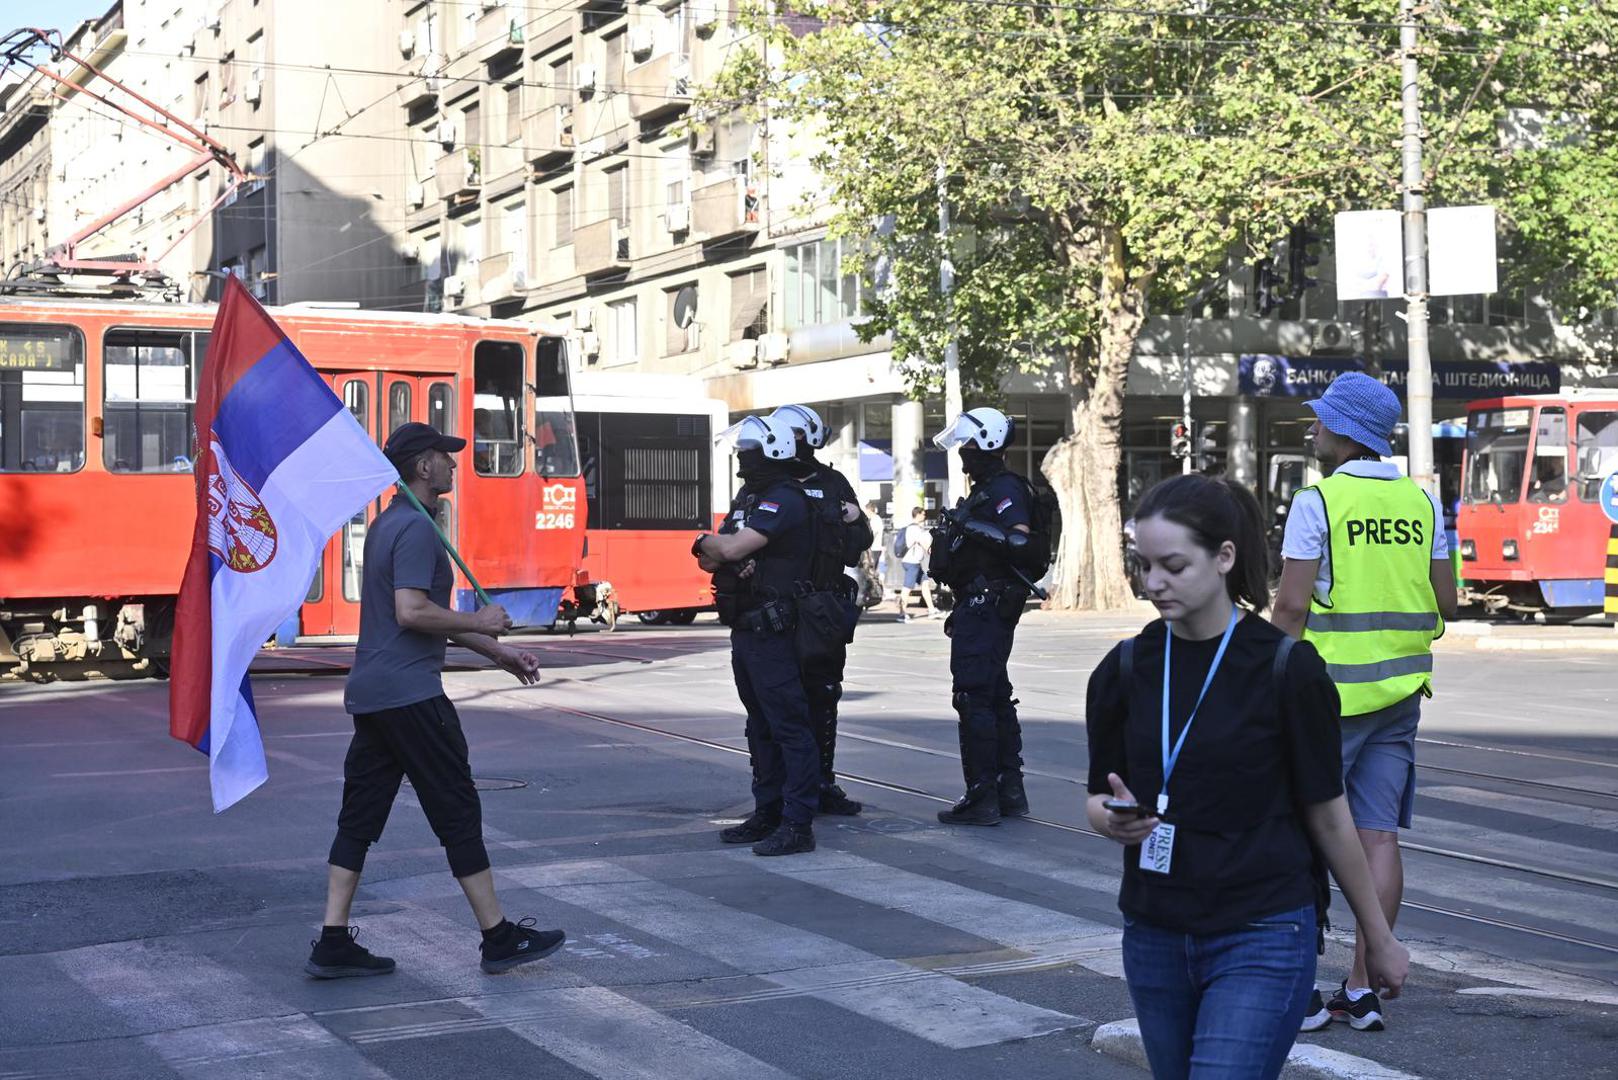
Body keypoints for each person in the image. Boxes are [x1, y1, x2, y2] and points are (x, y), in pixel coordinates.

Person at [1086, 474, 1409, 1080]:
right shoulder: (1125, 668)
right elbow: (1098, 798)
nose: (1154, 583)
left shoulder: (1287, 669)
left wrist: (1377, 937)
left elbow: (1329, 813)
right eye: (1145, 565)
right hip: (1155, 929)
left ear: (1224, 557)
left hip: (1262, 929)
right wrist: (1113, 819)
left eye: (1174, 565)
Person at [307, 422, 565, 980]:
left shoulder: (387, 525)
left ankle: (332, 939)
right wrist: (480, 619)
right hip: (412, 696)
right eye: (445, 457)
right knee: (456, 808)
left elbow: (424, 620)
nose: (452, 465)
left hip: (374, 695)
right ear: (423, 467)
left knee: (361, 815)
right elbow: (412, 612)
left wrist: (498, 654)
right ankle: (497, 936)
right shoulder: (418, 531)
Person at [1269, 372, 1456, 1033]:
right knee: (1377, 836)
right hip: (1401, 695)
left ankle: (1292, 986)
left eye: (1320, 421)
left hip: (1326, 695)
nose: (1312, 429)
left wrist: (1265, 678)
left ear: (1344, 431)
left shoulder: (1318, 501)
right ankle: (1359, 987)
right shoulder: (1422, 502)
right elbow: (1448, 601)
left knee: (1295, 831)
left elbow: (1290, 606)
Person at [692, 415, 822, 856]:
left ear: (773, 453)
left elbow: (725, 549)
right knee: (760, 727)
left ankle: (798, 822)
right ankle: (767, 811)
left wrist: (714, 545)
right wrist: (714, 548)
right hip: (746, 627)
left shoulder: (785, 498)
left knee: (789, 726)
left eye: (748, 451)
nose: (742, 459)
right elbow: (712, 561)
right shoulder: (751, 496)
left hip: (776, 630)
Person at [928, 406, 1048, 825]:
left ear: (989, 445)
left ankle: (983, 797)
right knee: (994, 695)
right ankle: (1008, 792)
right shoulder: (986, 489)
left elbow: (1019, 542)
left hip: (989, 604)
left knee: (974, 697)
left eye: (969, 444)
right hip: (978, 604)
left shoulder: (1005, 489)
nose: (964, 452)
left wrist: (968, 526)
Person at [771, 404, 872, 817]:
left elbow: (859, 539)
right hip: (779, 606)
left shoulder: (833, 482)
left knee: (824, 694)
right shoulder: (769, 481)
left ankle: (822, 782)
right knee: (779, 699)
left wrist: (854, 518)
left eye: (795, 435)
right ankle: (782, 788)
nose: (790, 444)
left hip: (824, 607)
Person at [896, 506, 938, 621]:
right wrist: (932, 552)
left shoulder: (913, 528)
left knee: (925, 583)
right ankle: (902, 613)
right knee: (907, 588)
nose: (925, 516)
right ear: (918, 515)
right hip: (912, 562)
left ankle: (932, 610)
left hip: (914, 562)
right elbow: (923, 543)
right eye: (923, 514)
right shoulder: (915, 529)